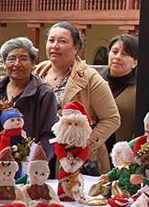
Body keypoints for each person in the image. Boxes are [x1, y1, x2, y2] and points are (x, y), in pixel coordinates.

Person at [36, 21, 120, 174]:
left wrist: (82, 143)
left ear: (76, 48)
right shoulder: (40, 71)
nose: (55, 46)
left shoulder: (90, 77)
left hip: (76, 158)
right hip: (42, 152)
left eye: (62, 41)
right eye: (51, 40)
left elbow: (112, 119)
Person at [0, 37, 58, 160]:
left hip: (30, 164)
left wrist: (36, 163)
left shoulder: (44, 93)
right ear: (4, 62)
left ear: (33, 62)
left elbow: (49, 135)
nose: (17, 64)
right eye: (11, 59)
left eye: (23, 59)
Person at [101, 34, 138, 151]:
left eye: (125, 54)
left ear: (135, 62)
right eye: (114, 51)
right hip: (94, 152)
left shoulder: (137, 91)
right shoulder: (95, 82)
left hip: (121, 155)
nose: (117, 57)